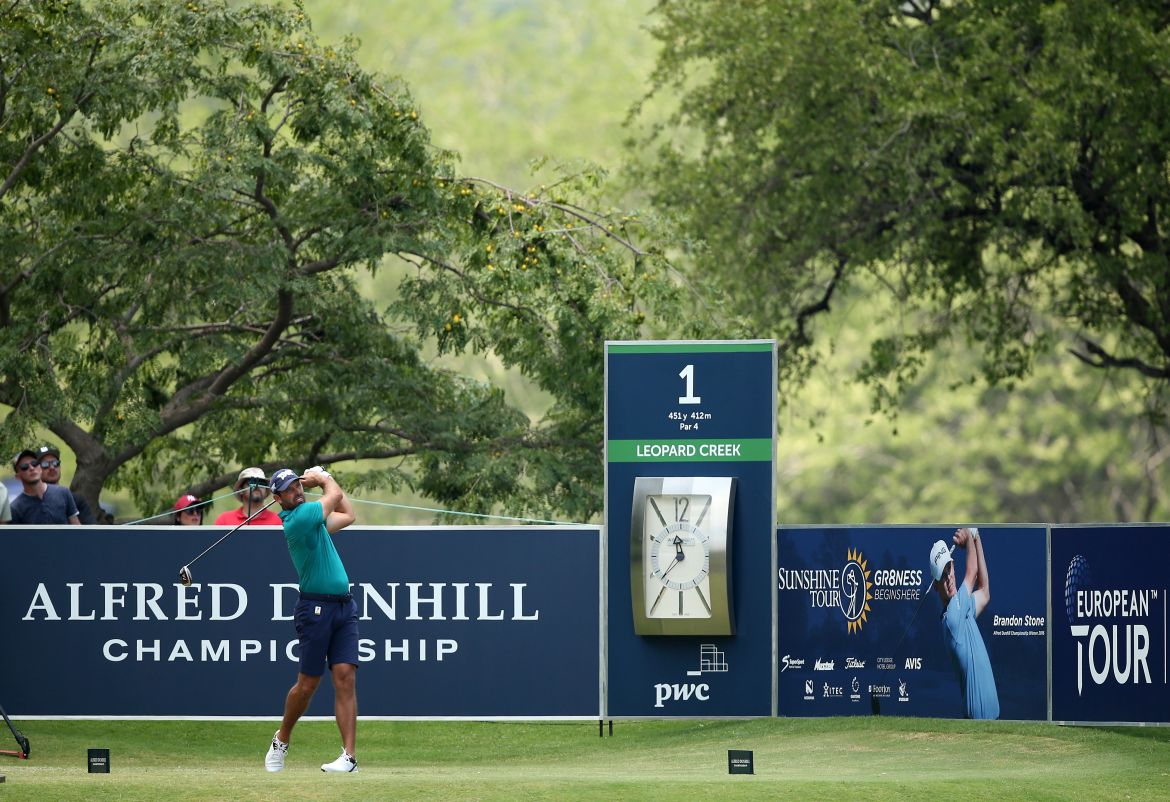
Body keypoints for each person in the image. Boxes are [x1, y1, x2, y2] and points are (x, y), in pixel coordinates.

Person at [264, 466, 358, 774]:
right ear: (278, 499)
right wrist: (321, 476)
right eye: (289, 490)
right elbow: (335, 494)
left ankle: (349, 757)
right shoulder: (298, 521)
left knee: (345, 677)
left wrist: (321, 482)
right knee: (308, 685)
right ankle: (282, 738)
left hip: (344, 607)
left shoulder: (313, 521)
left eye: (297, 485)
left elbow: (348, 513)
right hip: (315, 609)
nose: (297, 491)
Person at [929, 527, 1000, 720]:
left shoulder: (963, 609)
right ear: (935, 585)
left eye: (949, 568)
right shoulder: (953, 617)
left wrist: (977, 540)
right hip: (978, 722)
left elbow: (984, 591)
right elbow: (972, 572)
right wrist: (969, 539)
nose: (949, 578)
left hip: (992, 720)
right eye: (942, 575)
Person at [10, 449, 80, 525]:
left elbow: (77, 530)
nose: (31, 468)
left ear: (40, 468)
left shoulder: (63, 493)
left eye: (34, 463)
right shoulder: (15, 508)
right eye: (24, 467)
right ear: (18, 477)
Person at [37, 445, 96, 524]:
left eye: (55, 463)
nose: (52, 467)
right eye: (45, 464)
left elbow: (92, 532)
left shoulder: (77, 501)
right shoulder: (30, 502)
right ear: (36, 470)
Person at [214, 467, 282, 526]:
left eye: (261, 483)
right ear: (240, 490)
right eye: (251, 483)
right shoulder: (224, 520)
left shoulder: (279, 521)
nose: (256, 486)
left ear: (266, 490)